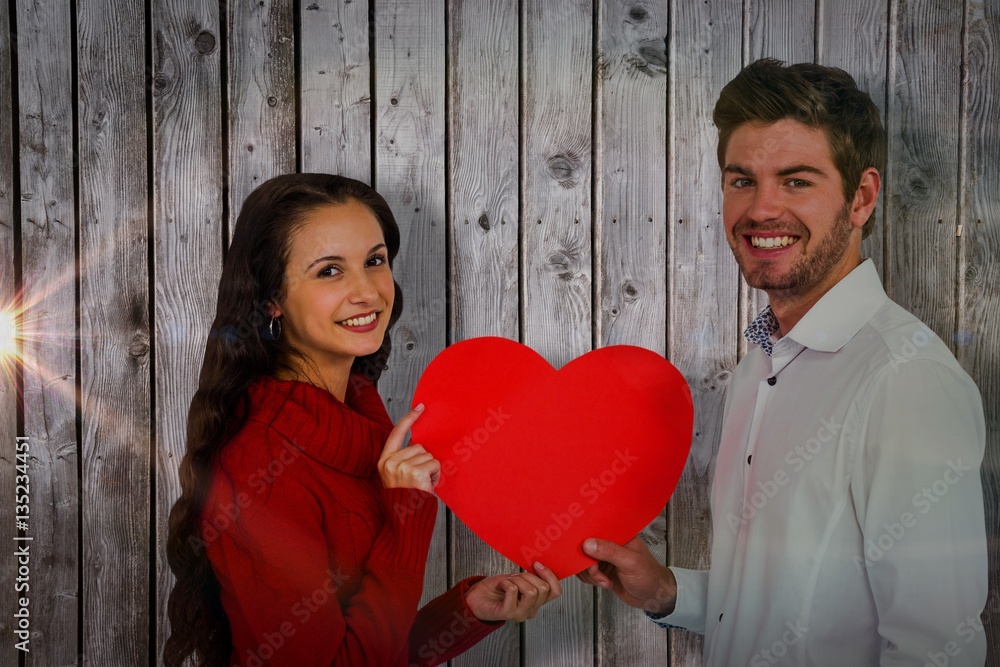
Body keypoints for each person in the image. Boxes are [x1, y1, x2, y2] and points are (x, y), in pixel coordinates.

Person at [578, 59, 987, 665]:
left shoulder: (906, 381)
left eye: (797, 181)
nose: (761, 210)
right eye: (741, 180)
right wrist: (666, 590)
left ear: (862, 197)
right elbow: (785, 601)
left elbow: (936, 649)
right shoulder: (759, 367)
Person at [164, 173, 561, 667]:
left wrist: (466, 611)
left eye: (374, 261)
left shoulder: (361, 417)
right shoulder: (261, 466)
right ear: (272, 301)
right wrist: (406, 517)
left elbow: (370, 647)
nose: (368, 292)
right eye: (330, 271)